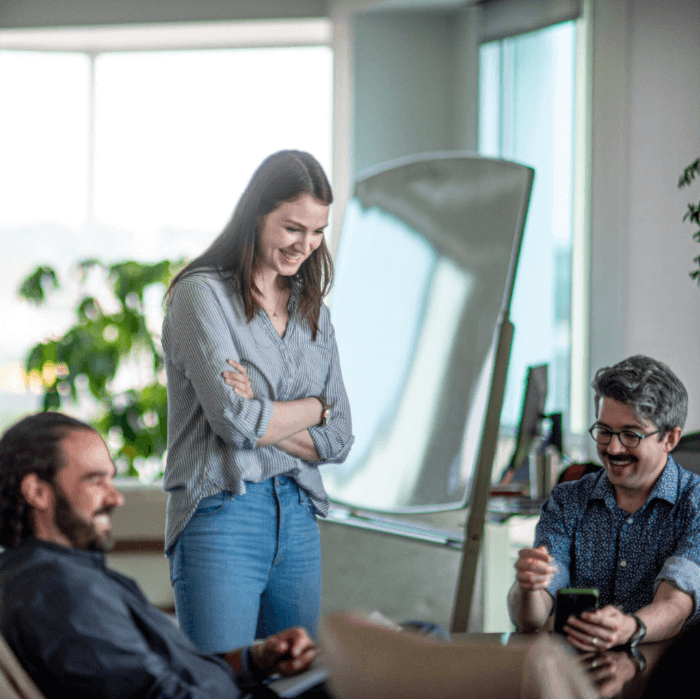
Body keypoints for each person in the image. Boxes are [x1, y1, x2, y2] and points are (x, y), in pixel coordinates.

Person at [162, 150, 354, 653]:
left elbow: (339, 439)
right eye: (293, 228)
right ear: (256, 213)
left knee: (296, 682)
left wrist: (277, 411)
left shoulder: (314, 312)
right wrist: (314, 406)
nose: (306, 246)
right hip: (223, 510)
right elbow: (233, 423)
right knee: (222, 683)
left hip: (298, 516)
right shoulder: (200, 296)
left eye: (317, 232)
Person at [0, 412, 319, 699]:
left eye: (111, 479)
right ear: (38, 492)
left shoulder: (56, 576)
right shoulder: (61, 591)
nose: (116, 498)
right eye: (96, 480)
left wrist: (256, 660)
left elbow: (169, 672)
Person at [508, 355, 700, 650]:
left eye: (630, 434)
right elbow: (530, 620)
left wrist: (630, 628)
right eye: (604, 431)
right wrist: (529, 589)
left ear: (670, 439)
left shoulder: (695, 504)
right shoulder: (567, 500)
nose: (612, 447)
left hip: (666, 679)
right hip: (576, 678)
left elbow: (676, 605)